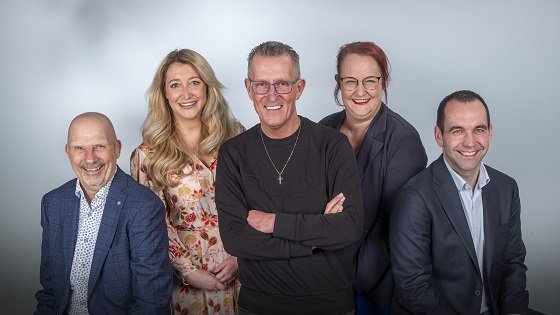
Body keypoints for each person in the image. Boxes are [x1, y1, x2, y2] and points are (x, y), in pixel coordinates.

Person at [215, 41, 364, 315]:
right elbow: (236, 240)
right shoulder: (233, 154)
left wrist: (274, 222)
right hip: (259, 306)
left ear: (299, 88)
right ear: (249, 89)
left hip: (330, 306)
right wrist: (317, 239)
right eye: (262, 85)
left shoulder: (332, 146)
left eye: (282, 84)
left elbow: (349, 227)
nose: (272, 96)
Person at [390, 90, 530, 315]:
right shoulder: (414, 196)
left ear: (490, 132)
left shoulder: (506, 188)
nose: (470, 142)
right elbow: (413, 286)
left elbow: (512, 263)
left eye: (479, 129)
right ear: (439, 136)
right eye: (457, 131)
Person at [130, 48, 244, 314]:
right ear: (165, 94)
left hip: (241, 271)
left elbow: (257, 201)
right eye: (175, 85)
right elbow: (154, 223)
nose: (186, 93)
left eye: (194, 82)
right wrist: (189, 272)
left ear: (207, 87)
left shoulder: (237, 136)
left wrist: (240, 258)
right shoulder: (147, 156)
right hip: (187, 285)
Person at [320, 41, 427, 314]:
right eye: (350, 81)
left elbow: (394, 229)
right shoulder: (323, 130)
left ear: (384, 81)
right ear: (338, 82)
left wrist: (346, 278)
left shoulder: (404, 140)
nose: (360, 91)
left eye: (370, 80)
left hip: (374, 287)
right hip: (321, 277)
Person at [35, 112, 172, 315]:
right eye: (79, 148)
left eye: (100, 146)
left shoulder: (144, 206)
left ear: (117, 148)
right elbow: (50, 291)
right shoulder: (53, 203)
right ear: (68, 151)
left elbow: (151, 301)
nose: (90, 158)